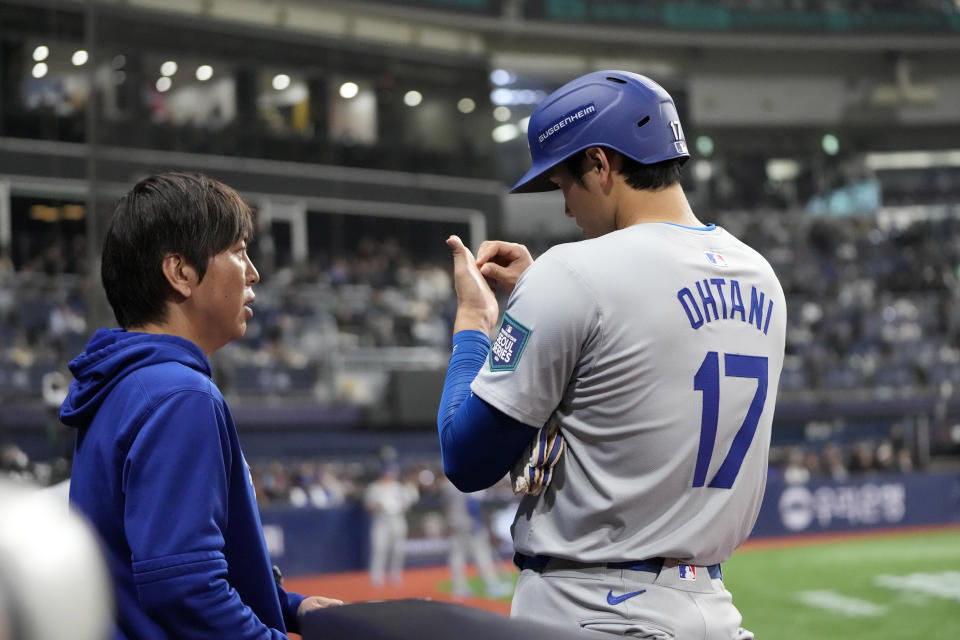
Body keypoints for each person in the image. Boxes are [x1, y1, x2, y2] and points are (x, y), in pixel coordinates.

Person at [437, 71, 786, 639]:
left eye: (563, 183)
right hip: (712, 608)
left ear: (600, 164)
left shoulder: (573, 272)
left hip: (590, 609)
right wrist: (546, 298)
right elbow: (641, 346)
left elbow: (465, 457)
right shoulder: (761, 275)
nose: (566, 208)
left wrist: (475, 326)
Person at [59, 172, 341, 639]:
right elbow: (186, 592)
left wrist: (287, 606)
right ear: (181, 273)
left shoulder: (125, 384)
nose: (253, 272)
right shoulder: (178, 394)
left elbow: (144, 568)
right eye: (237, 251)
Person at [364, 462, 418, 587]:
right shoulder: (374, 487)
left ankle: (395, 576)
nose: (391, 474)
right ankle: (376, 578)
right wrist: (378, 505)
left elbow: (407, 506)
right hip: (381, 521)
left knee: (398, 550)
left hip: (397, 520)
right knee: (379, 549)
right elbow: (368, 507)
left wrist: (399, 506)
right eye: (389, 472)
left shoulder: (399, 487)